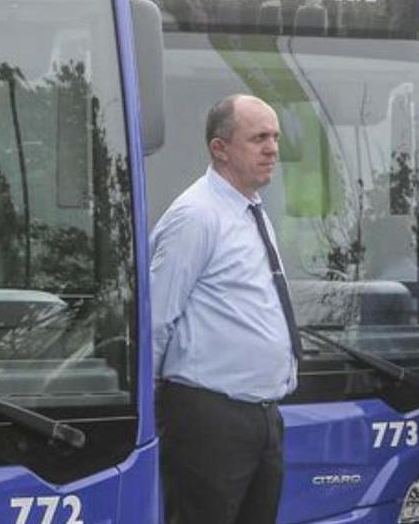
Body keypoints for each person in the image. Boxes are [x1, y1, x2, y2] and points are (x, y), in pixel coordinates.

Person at [150, 93, 301, 524]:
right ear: (220, 149)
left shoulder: (252, 210)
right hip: (210, 418)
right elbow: (156, 319)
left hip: (261, 418)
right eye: (258, 138)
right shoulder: (196, 216)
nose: (273, 148)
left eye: (274, 136)